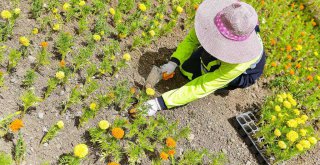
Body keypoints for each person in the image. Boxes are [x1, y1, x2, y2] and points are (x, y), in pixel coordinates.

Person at [145, 0, 266, 116]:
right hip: (226, 51)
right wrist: (174, 62)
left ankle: (224, 86)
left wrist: (159, 103)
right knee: (186, 70)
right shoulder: (222, 18)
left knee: (209, 76)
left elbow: (205, 84)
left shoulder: (240, 61)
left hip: (244, 74)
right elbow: (192, 39)